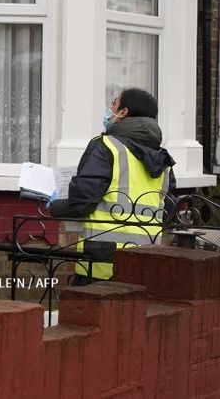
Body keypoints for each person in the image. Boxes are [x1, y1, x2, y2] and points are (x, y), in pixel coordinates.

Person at [48, 88, 176, 284]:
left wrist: (55, 206)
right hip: (144, 260)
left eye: (114, 103)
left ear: (123, 112)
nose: (110, 108)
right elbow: (168, 208)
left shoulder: (105, 145)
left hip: (101, 261)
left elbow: (84, 201)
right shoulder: (162, 158)